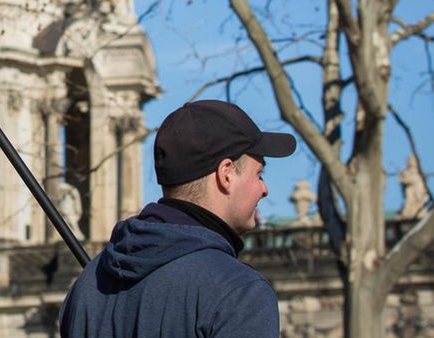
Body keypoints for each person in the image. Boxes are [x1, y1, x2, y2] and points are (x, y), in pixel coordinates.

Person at [59, 99, 297, 337]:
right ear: (226, 174)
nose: (264, 189)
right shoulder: (239, 292)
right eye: (259, 174)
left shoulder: (87, 286)